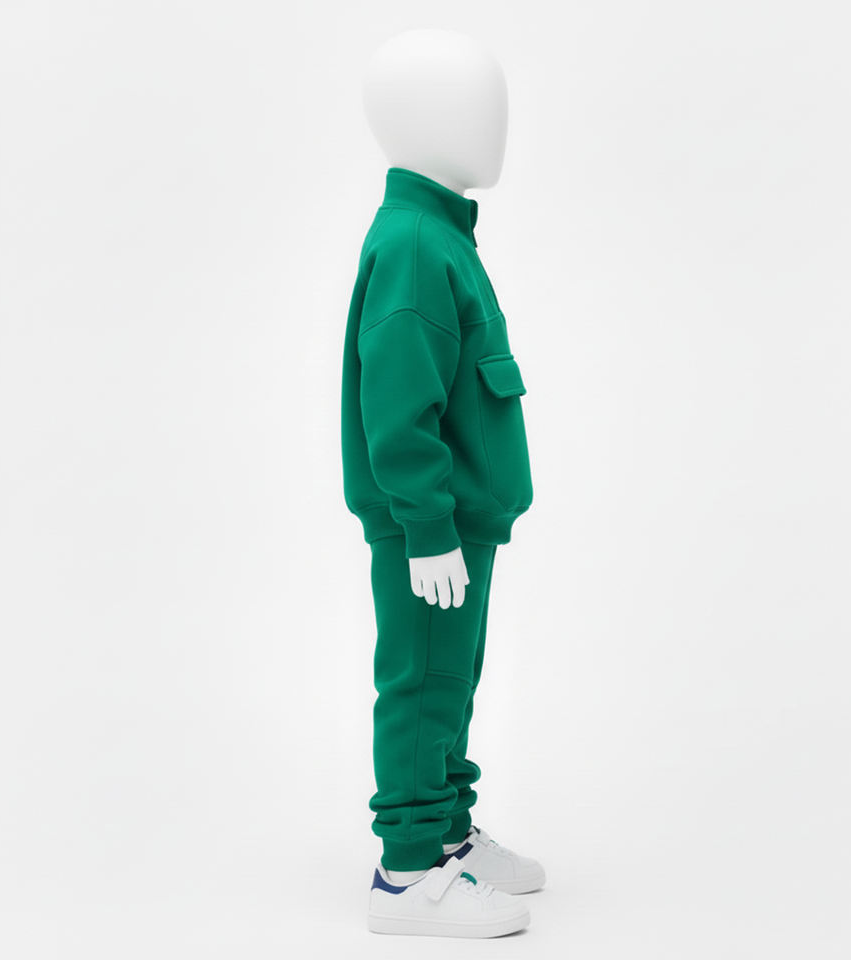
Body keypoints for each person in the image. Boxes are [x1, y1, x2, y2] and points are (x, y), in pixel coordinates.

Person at [340, 28, 545, 938]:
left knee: (448, 682)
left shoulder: (441, 237)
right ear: (419, 121)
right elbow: (398, 406)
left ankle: (448, 832)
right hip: (435, 529)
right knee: (422, 683)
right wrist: (425, 528)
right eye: (477, 107)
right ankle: (408, 872)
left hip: (458, 523)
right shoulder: (419, 245)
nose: (497, 126)